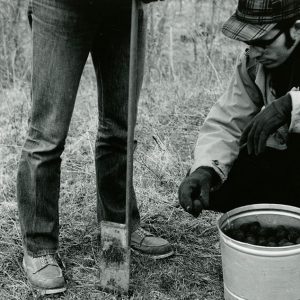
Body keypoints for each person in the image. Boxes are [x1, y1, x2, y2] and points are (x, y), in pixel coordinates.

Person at [18, 0, 173, 295]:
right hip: (60, 7)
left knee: (120, 130)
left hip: (123, 9)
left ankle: (119, 229)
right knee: (47, 136)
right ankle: (39, 247)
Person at [179, 0, 300, 218]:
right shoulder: (253, 62)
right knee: (228, 180)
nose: (254, 53)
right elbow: (229, 119)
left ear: (296, 29)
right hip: (289, 157)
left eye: (262, 43)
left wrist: (291, 105)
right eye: (249, 43)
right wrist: (206, 169)